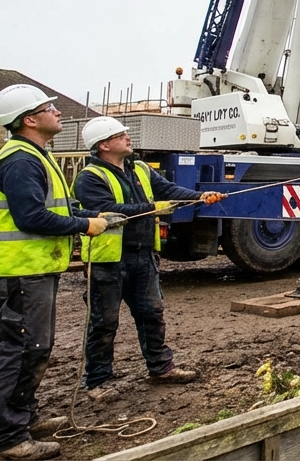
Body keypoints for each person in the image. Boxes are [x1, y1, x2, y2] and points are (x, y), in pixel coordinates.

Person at [0, 85, 108, 461]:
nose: (58, 112)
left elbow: (57, 208)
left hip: (30, 269)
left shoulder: (36, 155)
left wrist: (93, 216)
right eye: (49, 108)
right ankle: (8, 438)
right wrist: (85, 227)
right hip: (17, 271)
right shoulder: (21, 160)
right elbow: (31, 217)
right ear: (30, 120)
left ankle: (26, 419)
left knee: (35, 348)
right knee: (24, 350)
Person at [73, 117, 226, 400]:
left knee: (152, 314)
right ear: (104, 145)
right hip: (108, 261)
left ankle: (160, 368)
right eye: (120, 135)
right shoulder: (90, 177)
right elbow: (109, 210)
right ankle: (96, 381)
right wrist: (156, 207)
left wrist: (199, 196)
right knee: (104, 322)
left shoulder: (140, 168)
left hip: (143, 255)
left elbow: (167, 190)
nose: (128, 137)